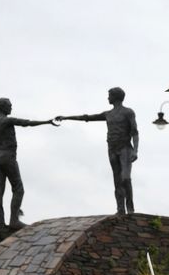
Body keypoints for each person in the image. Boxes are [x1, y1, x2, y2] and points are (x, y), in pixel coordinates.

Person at [55, 87, 139, 215]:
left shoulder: (128, 112)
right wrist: (66, 117)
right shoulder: (108, 114)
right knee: (117, 181)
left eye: (109, 95)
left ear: (116, 97)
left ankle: (130, 208)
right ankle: (120, 209)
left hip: (125, 148)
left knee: (125, 178)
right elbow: (87, 117)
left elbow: (135, 132)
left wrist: (135, 151)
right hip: (112, 149)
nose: (107, 98)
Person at [0, 98, 58, 230]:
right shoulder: (7, 120)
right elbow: (27, 123)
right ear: (3, 107)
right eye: (9, 105)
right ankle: (14, 220)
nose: (11, 107)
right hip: (7, 156)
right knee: (18, 188)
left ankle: (0, 222)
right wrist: (47, 122)